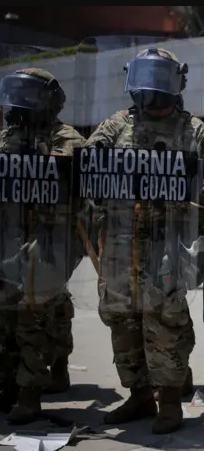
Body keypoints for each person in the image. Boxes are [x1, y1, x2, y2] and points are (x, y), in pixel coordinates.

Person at [84, 48, 204, 434]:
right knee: (122, 322)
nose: (152, 90)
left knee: (165, 323)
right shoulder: (117, 125)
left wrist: (191, 195)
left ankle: (170, 401)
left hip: (167, 246)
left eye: (160, 79)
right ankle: (139, 395)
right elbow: (87, 165)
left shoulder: (192, 130)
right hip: (119, 245)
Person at [0, 67, 85, 424]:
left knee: (31, 313)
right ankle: (14, 381)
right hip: (11, 236)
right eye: (15, 93)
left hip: (53, 239)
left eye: (28, 94)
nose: (19, 101)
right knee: (8, 313)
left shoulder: (66, 139)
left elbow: (73, 181)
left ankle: (30, 393)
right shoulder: (7, 138)